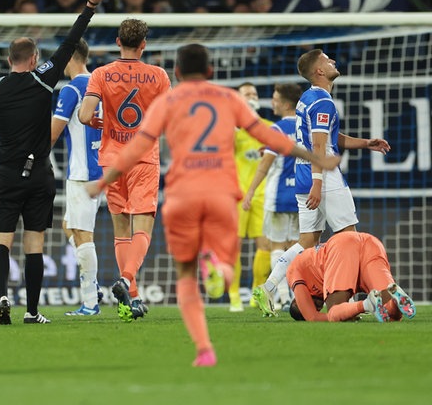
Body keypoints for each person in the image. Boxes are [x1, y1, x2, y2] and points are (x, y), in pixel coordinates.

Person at [85, 43, 340, 367]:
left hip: (182, 196)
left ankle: (204, 349)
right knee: (224, 263)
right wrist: (314, 157)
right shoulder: (228, 98)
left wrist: (103, 182)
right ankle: (217, 267)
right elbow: (268, 136)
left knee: (186, 277)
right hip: (220, 192)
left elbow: (137, 147)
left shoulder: (168, 102)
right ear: (209, 72)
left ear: (177, 72)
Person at [0, 0, 104, 325]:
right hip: (39, 175)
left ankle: (2, 296)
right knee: (35, 244)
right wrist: (89, 6)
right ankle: (32, 312)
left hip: (7, 173)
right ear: (34, 60)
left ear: (8, 61)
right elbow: (68, 44)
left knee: (1, 238)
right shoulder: (43, 79)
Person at [253, 48, 391, 318]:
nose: (333, 62)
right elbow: (318, 145)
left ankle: (268, 287)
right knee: (349, 239)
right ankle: (350, 303)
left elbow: (329, 136)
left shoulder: (308, 98)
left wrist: (365, 143)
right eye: (327, 60)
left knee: (307, 240)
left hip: (304, 175)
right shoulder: (323, 102)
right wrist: (318, 183)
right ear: (318, 71)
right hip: (323, 177)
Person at [78, 18, 171, 323]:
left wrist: (98, 123)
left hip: (112, 160)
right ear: (144, 45)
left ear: (118, 41)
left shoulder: (101, 74)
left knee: (121, 230)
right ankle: (127, 278)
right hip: (143, 158)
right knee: (142, 227)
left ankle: (132, 295)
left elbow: (84, 115)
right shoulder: (158, 75)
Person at [51, 38, 103, 316]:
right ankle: (94, 288)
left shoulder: (72, 89)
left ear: (70, 56)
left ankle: (90, 302)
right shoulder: (101, 83)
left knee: (83, 234)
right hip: (103, 168)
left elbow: (52, 133)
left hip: (82, 172)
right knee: (69, 225)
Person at [243, 83, 303, 312]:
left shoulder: (276, 130)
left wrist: (250, 192)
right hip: (301, 196)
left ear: (286, 104)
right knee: (298, 247)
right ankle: (301, 295)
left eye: (276, 99)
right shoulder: (306, 127)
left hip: (278, 197)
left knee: (276, 245)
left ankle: (283, 297)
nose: (272, 102)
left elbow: (264, 168)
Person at [286, 231, 417, 322]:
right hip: (369, 244)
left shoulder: (294, 272)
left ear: (297, 301)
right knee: (392, 315)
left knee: (334, 311)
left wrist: (342, 315)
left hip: (342, 247)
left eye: (313, 304)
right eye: (319, 308)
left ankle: (367, 304)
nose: (319, 306)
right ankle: (396, 297)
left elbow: (313, 318)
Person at [229, 82, 273, 313]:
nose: (252, 96)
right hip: (237, 194)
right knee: (234, 246)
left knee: (264, 244)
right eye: (246, 94)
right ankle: (234, 296)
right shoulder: (232, 130)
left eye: (254, 93)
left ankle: (257, 293)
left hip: (263, 194)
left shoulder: (268, 127)